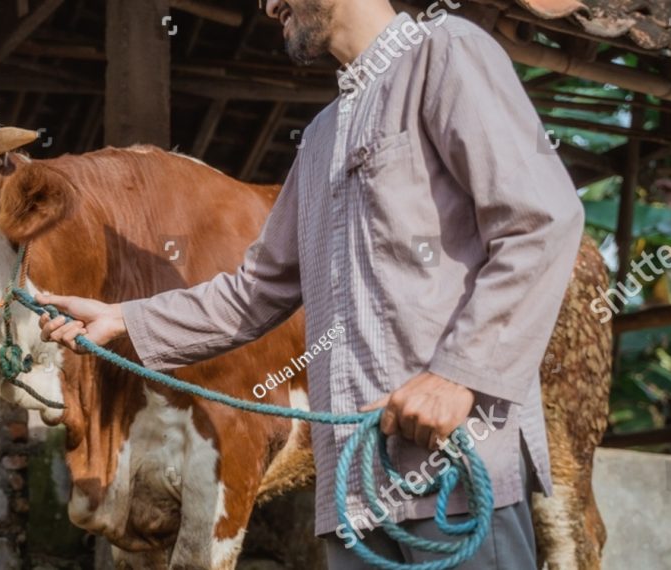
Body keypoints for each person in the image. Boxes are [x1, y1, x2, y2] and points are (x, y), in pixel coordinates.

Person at [36, 0, 583, 567]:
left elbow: (542, 220)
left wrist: (456, 376)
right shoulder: (322, 134)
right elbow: (255, 291)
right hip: (352, 494)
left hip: (452, 472)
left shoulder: (445, 53)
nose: (267, 4)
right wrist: (123, 319)